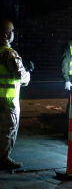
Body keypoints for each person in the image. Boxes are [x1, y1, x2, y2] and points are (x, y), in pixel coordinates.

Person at [0, 19, 30, 170]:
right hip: (7, 99)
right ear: (6, 34)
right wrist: (28, 73)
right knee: (7, 130)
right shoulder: (8, 53)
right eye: (11, 31)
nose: (13, 34)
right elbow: (21, 76)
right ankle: (3, 159)